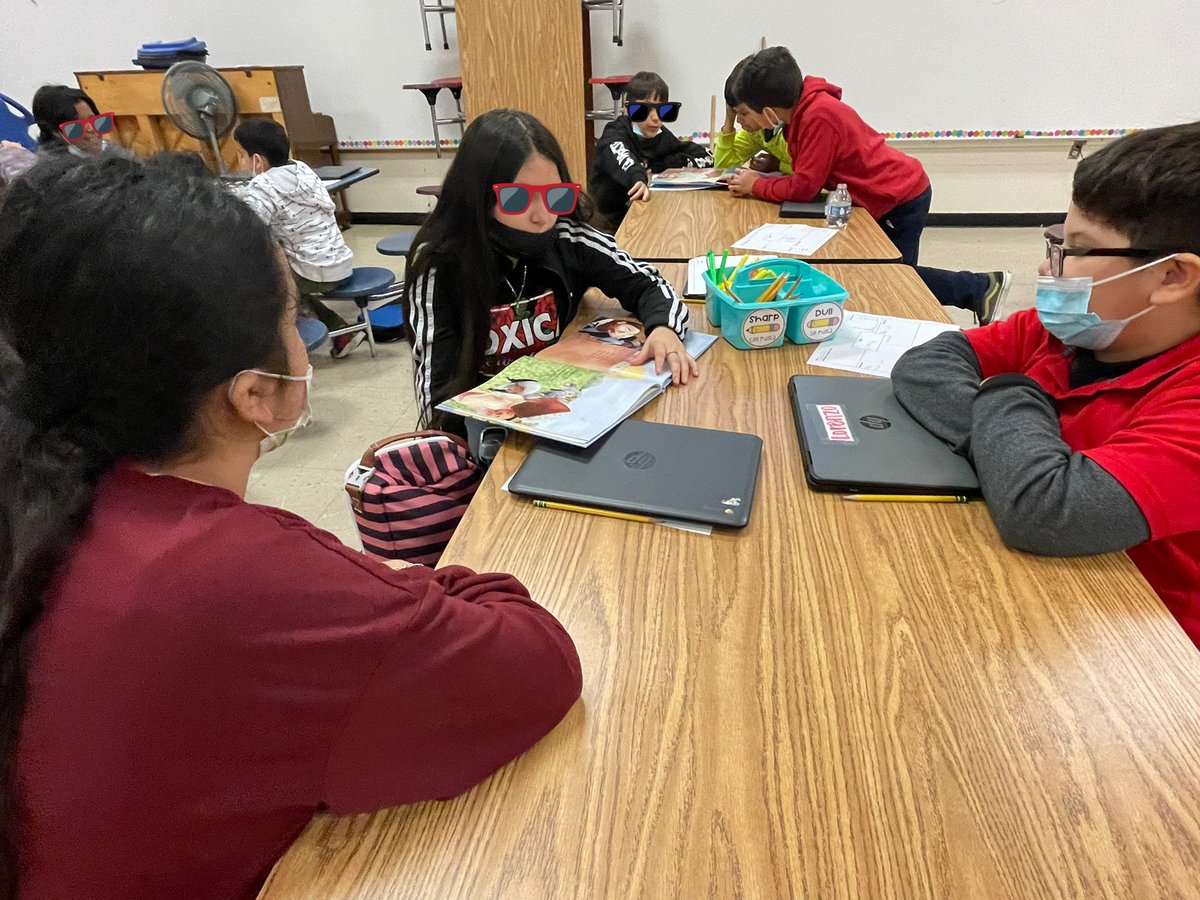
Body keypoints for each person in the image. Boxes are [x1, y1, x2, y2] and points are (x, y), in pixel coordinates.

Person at [0, 152, 582, 898]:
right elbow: (537, 665)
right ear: (254, 393)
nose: (301, 336)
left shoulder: (55, 510)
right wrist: (404, 581)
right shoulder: (228, 575)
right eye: (292, 317)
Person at [891, 123, 1200, 648]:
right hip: (1042, 586)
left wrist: (1008, 393)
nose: (1046, 266)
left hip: (1143, 647)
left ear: (1171, 276)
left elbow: (1048, 510)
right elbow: (927, 363)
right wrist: (1009, 454)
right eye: (1058, 239)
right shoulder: (1074, 329)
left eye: (1078, 250)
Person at [407, 108, 697, 432]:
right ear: (478, 195)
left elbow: (649, 284)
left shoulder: (568, 236)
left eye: (556, 196)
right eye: (517, 198)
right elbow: (437, 395)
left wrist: (665, 330)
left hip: (568, 413)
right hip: (485, 431)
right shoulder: (441, 266)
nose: (541, 215)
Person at [727, 47, 1009, 324]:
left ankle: (980, 288)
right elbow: (814, 166)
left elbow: (804, 188)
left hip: (902, 197)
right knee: (887, 277)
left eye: (744, 114)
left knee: (894, 278)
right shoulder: (803, 113)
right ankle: (977, 288)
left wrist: (756, 186)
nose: (741, 122)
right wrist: (774, 168)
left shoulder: (818, 115)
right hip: (881, 197)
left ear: (768, 111)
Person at [231, 118, 362, 358]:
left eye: (240, 155)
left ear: (257, 161)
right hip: (341, 261)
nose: (238, 162)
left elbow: (249, 226)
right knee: (288, 275)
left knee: (269, 281)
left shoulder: (262, 185)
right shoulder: (302, 169)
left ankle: (281, 350)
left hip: (313, 274)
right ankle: (341, 330)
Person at [589, 71, 714, 229]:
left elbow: (707, 157)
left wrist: (667, 165)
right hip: (608, 225)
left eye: (662, 110)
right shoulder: (614, 134)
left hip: (645, 216)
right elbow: (624, 159)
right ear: (628, 110)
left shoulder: (660, 135)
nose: (656, 118)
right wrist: (639, 178)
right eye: (645, 109)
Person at [713, 55, 792, 174]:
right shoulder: (756, 132)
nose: (739, 120)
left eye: (744, 113)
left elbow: (815, 173)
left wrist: (778, 165)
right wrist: (729, 121)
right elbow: (722, 168)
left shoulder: (791, 131)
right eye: (735, 112)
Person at [31, 84, 107, 157]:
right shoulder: (54, 168)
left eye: (94, 120)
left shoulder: (112, 154)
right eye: (76, 127)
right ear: (55, 133)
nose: (91, 129)